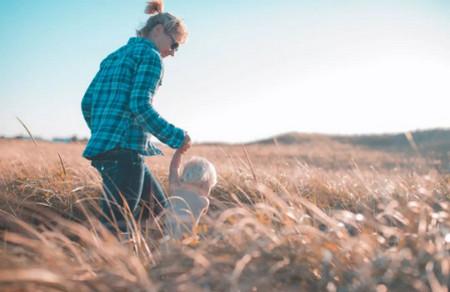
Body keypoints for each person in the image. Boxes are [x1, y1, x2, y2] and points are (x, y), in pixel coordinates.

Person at [81, 0, 191, 232]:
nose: (172, 53)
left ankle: (158, 264)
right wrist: (176, 137)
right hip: (125, 153)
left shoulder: (114, 56)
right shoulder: (151, 57)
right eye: (175, 46)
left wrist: (104, 132)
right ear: (159, 30)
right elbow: (140, 106)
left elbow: (87, 103)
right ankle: (100, 266)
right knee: (116, 227)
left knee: (159, 213)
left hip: (109, 150)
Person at [164, 148, 217, 240]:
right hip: (186, 241)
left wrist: (179, 152)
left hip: (167, 238)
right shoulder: (203, 201)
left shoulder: (175, 189)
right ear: (204, 184)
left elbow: (173, 167)